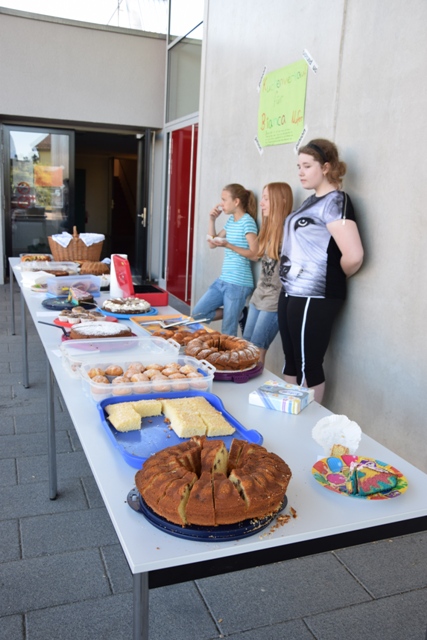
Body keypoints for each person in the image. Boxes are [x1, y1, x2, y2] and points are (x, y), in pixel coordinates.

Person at [278, 139, 364, 404]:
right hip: (291, 290)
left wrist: (331, 277)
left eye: (307, 166)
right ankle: (289, 416)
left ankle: (308, 423)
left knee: (308, 364)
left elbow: (354, 256)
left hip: (314, 295)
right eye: (299, 166)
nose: (301, 172)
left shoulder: (336, 201)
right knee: (291, 360)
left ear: (326, 167)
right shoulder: (310, 201)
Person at [191, 183, 258, 336]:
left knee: (228, 330)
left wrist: (229, 245)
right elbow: (212, 244)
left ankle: (235, 315)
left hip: (239, 283)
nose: (221, 204)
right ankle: (239, 313)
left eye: (224, 200)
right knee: (197, 314)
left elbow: (255, 254)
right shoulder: (231, 221)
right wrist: (212, 220)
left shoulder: (247, 222)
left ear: (236, 202)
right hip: (223, 280)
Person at [242, 182, 293, 365]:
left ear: (281, 200)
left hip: (274, 300)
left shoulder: (290, 231)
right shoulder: (269, 228)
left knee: (256, 351)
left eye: (266, 198)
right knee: (246, 346)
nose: (261, 203)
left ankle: (253, 383)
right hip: (259, 295)